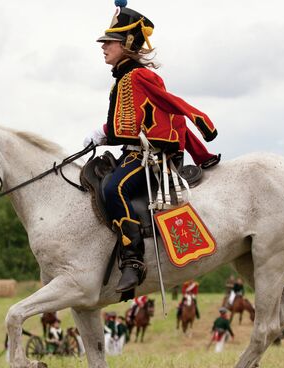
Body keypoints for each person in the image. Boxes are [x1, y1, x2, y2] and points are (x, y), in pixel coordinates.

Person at [87, 0, 219, 293]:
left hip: (150, 157)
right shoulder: (122, 79)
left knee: (113, 189)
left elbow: (169, 109)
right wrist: (105, 134)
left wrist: (201, 124)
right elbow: (130, 122)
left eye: (110, 42)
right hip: (132, 152)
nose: (103, 47)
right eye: (104, 42)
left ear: (127, 43)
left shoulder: (140, 76)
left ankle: (133, 260)